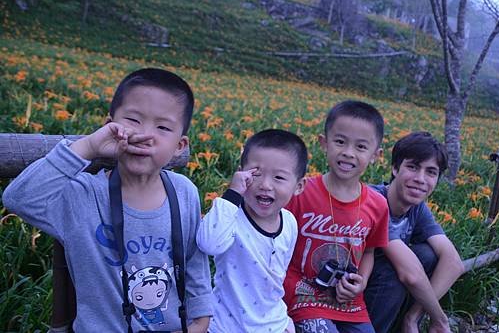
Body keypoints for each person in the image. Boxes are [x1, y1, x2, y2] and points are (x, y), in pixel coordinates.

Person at [3, 68, 213, 332]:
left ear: (179, 146)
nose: (145, 135)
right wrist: (89, 146)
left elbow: (194, 262)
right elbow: (19, 197)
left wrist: (201, 320)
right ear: (109, 126)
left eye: (162, 127)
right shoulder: (83, 195)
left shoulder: (185, 192)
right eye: (133, 120)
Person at [283, 100, 389, 333]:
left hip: (349, 304)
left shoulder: (378, 204)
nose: (348, 153)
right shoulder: (299, 191)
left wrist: (360, 282)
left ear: (376, 155)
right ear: (324, 143)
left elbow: (369, 251)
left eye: (361, 147)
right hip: (301, 297)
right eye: (340, 142)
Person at [196, 129, 307, 333]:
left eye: (279, 178)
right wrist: (232, 194)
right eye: (256, 174)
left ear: (299, 186)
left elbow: (277, 277)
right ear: (241, 173)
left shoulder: (290, 222)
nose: (265, 185)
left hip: (274, 323)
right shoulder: (231, 216)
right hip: (226, 325)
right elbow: (209, 244)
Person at [364, 132, 464, 333]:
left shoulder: (417, 208)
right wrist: (440, 319)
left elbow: (454, 262)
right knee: (394, 270)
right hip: (344, 287)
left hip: (377, 289)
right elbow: (409, 274)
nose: (420, 179)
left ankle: (403, 323)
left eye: (431, 172)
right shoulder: (373, 200)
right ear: (394, 168)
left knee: (428, 254)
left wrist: (414, 316)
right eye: (412, 167)